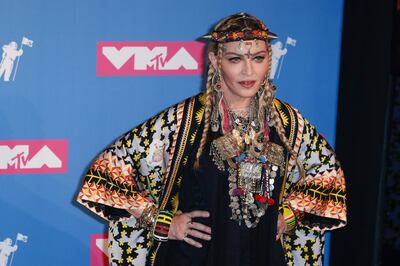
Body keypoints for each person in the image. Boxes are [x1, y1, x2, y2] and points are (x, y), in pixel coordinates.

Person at [76, 12, 347, 266]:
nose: (248, 71)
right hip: (196, 257)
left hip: (263, 255)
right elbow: (108, 172)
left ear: (269, 60)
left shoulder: (286, 121)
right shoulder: (185, 119)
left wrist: (288, 217)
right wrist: (159, 221)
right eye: (235, 59)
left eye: (258, 58)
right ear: (216, 61)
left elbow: (327, 176)